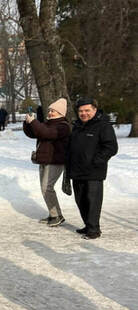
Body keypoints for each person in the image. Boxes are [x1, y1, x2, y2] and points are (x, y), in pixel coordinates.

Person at [65, 97, 118, 239]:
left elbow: (111, 147)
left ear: (95, 110)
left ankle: (94, 230)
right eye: (81, 111)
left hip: (94, 171)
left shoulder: (103, 126)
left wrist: (96, 161)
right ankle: (88, 225)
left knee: (92, 202)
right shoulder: (77, 126)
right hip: (77, 170)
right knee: (80, 200)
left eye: (87, 110)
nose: (84, 113)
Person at [23, 98, 70, 227]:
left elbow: (47, 133)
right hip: (44, 160)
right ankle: (54, 214)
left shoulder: (63, 126)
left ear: (60, 113)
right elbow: (33, 133)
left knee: (47, 188)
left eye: (53, 111)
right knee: (45, 189)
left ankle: (57, 216)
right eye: (49, 110)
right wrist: (28, 123)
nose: (50, 113)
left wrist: (34, 122)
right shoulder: (47, 124)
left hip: (55, 161)